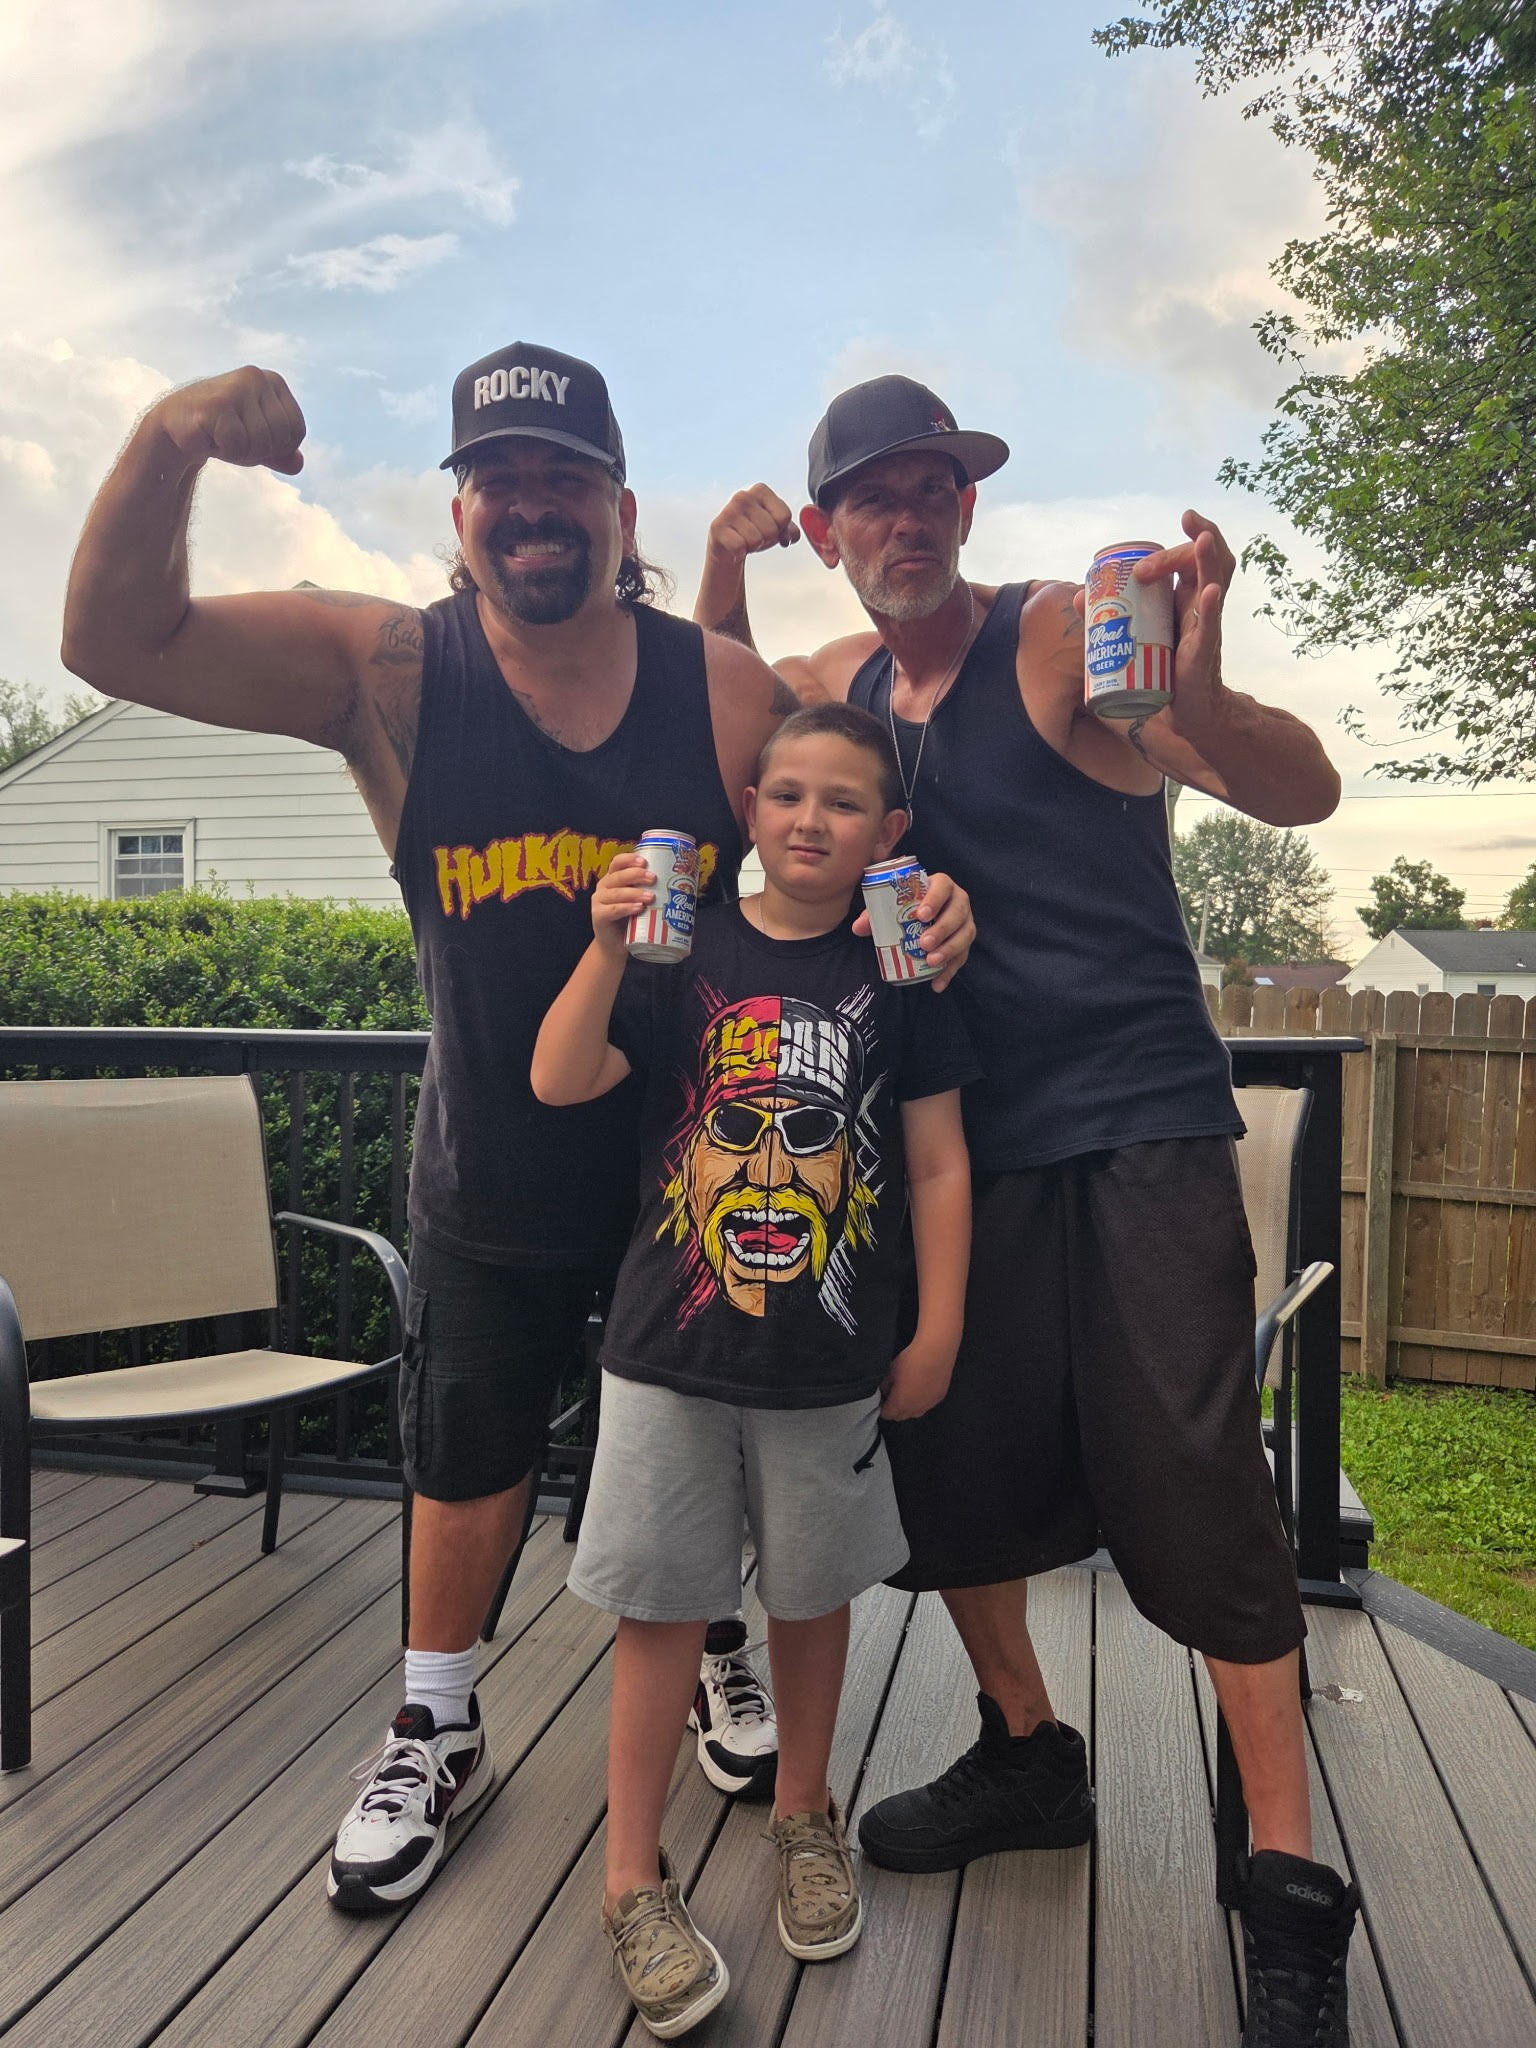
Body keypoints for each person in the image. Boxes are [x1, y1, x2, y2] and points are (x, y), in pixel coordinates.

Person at [59, 345, 978, 1916]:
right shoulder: (390, 668)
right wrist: (170, 437)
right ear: (461, 512)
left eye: (567, 479)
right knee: (468, 1453)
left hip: (689, 1176)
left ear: (621, 510)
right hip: (492, 1154)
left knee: (712, 1442)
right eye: (501, 479)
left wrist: (936, 899)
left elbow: (843, 821)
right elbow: (111, 641)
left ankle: (720, 1645)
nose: (534, 505)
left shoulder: (716, 685)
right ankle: (433, 1721)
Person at [693, 376, 1361, 2048]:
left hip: (1134, 1125)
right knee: (943, 1454)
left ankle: (1284, 1879)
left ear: (968, 509)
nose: (907, 518)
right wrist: (715, 571)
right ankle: (1027, 1751)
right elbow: (725, 744)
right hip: (953, 1147)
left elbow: (1300, 792)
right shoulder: (841, 687)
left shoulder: (1064, 636)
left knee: (1196, 1478)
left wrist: (1201, 688)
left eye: (934, 488)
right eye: (874, 498)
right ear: (831, 532)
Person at [531, 701, 976, 2039]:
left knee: (813, 1594)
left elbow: (939, 1161)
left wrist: (938, 1329)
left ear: (890, 830)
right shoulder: (681, 950)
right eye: (786, 794)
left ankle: (803, 1815)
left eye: (843, 801)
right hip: (666, 1354)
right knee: (659, 1612)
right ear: (748, 812)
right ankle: (629, 1877)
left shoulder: (903, 971)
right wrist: (604, 943)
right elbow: (558, 1079)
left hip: (832, 1365)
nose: (809, 821)